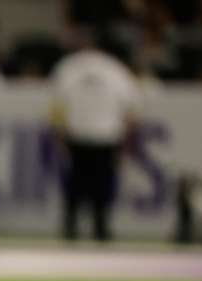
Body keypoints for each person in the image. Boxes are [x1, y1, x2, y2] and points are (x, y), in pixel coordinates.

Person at [50, 30, 140, 241]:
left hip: (79, 133)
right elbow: (131, 109)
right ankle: (99, 228)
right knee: (101, 184)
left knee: (76, 183)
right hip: (105, 136)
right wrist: (126, 139)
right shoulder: (116, 70)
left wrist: (59, 133)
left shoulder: (68, 67)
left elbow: (56, 106)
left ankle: (72, 227)